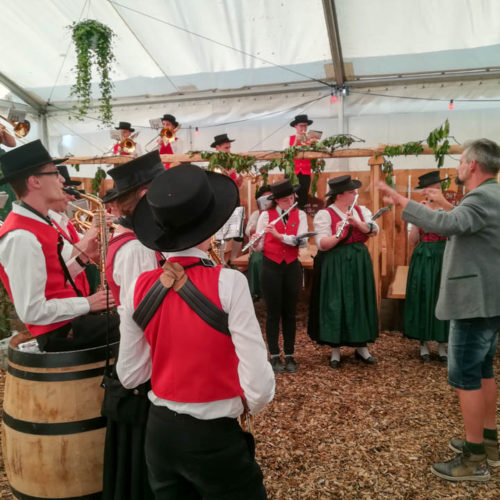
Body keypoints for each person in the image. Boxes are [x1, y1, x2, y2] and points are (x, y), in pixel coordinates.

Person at [117, 163, 274, 499]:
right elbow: (259, 388)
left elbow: (130, 376)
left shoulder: (135, 288)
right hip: (214, 435)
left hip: (158, 434)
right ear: (210, 224)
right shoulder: (229, 282)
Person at [377, 138, 500, 482]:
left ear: (473, 165)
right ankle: (488, 443)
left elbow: (447, 225)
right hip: (489, 300)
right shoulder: (493, 195)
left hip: (473, 303)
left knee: (466, 376)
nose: (459, 165)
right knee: (483, 371)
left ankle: (474, 459)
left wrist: (403, 201)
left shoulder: (481, 198)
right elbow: (460, 222)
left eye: (462, 160)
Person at [0, 140, 118, 352]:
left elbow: (52, 280)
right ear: (35, 181)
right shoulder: (21, 236)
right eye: (55, 173)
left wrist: (83, 259)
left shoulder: (38, 222)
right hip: (60, 332)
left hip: (69, 321)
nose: (62, 179)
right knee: (137, 322)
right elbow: (31, 311)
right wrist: (89, 303)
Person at [102, 151, 165, 500]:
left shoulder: (141, 243)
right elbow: (142, 319)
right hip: (144, 373)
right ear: (145, 195)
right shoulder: (137, 249)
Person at [308, 175, 379, 369]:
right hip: (336, 261)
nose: (356, 194)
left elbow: (373, 231)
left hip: (358, 261)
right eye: (351, 192)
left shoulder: (361, 211)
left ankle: (361, 346)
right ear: (339, 195)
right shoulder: (324, 214)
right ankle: (335, 350)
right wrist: (338, 234)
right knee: (336, 301)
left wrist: (357, 224)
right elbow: (322, 245)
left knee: (359, 300)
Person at [252, 179, 308, 373]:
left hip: (291, 267)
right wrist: (255, 242)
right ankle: (275, 355)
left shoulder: (299, 214)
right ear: (276, 201)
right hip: (271, 267)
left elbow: (301, 242)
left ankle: (290, 355)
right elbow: (259, 247)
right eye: (285, 200)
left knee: (290, 313)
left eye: (292, 198)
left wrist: (278, 236)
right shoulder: (266, 216)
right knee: (273, 313)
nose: (290, 202)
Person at [404, 171, 452, 363]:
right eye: (432, 189)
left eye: (438, 189)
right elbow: (412, 240)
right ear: (425, 192)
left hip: (444, 255)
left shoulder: (449, 210)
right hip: (424, 256)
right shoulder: (418, 209)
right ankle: (423, 343)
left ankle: (442, 345)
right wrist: (418, 218)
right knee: (422, 295)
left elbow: (456, 231)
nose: (435, 192)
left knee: (443, 298)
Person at [211, 133, 244, 265]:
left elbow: (237, 185)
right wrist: (228, 174)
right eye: (226, 148)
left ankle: (233, 259)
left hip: (234, 197)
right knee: (221, 231)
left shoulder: (231, 162)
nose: (229, 150)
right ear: (218, 148)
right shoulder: (214, 163)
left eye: (229, 147)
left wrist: (239, 179)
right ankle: (221, 260)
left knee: (238, 231)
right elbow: (216, 183)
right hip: (222, 200)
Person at [283, 114, 318, 209]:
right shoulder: (288, 139)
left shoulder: (311, 140)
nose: (303, 128)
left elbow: (316, 156)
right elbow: (285, 155)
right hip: (292, 173)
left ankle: (300, 216)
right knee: (289, 197)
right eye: (301, 126)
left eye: (305, 126)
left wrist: (315, 144)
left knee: (302, 198)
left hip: (305, 173)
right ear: (295, 126)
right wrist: (295, 142)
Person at [245, 185, 272, 301]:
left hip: (275, 247)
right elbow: (247, 230)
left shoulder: (279, 212)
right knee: (256, 260)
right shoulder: (257, 214)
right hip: (260, 248)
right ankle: (256, 291)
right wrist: (261, 227)